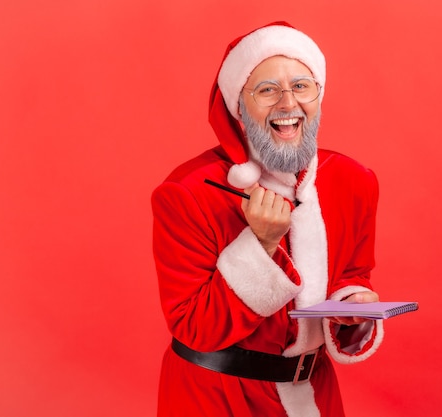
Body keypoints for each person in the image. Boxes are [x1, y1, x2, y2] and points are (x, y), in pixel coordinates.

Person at [151, 21, 384, 417]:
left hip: (316, 393)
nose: (288, 103)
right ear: (238, 106)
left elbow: (354, 274)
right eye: (267, 90)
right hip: (215, 398)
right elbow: (193, 327)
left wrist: (353, 304)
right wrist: (261, 245)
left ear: (319, 95)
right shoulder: (186, 193)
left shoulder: (354, 181)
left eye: (301, 86)